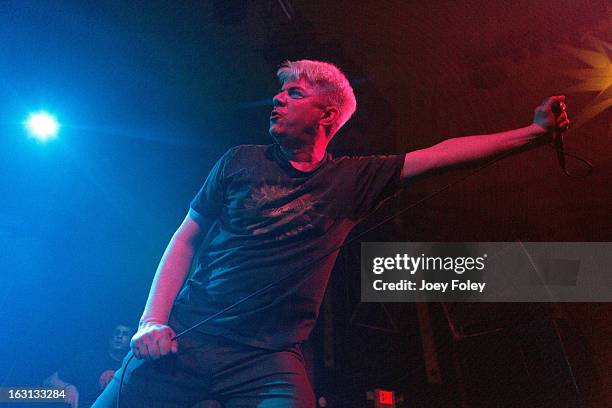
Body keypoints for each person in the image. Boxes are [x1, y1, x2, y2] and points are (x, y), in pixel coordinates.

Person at [93, 60, 570, 407]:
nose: (278, 98)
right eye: (280, 91)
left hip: (268, 359)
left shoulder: (353, 179)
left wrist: (534, 132)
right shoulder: (240, 160)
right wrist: (151, 321)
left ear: (327, 115)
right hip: (188, 335)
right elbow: (186, 238)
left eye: (294, 93)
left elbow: (442, 153)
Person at [45, 323, 134, 408]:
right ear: (110, 337)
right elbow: (49, 380)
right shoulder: (89, 359)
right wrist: (67, 387)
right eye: (116, 332)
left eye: (125, 334)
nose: (119, 336)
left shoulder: (133, 367)